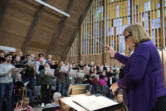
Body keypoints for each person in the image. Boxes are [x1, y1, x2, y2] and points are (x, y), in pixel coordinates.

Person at [104, 24, 166, 111]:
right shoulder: (146, 46)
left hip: (152, 101)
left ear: (134, 35)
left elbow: (134, 75)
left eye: (126, 37)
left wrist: (117, 84)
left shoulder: (143, 47)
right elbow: (131, 62)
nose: (125, 41)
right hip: (154, 97)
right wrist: (113, 53)